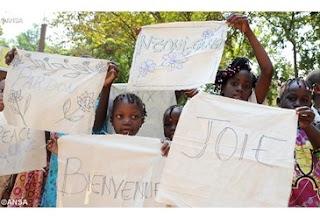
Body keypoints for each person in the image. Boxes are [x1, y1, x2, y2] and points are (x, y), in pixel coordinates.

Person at [276, 78, 320, 207]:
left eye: (304, 100)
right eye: (292, 98)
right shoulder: (272, 127)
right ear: (279, 102)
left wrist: (307, 126)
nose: (298, 104)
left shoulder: (315, 127)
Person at [214, 14, 273, 104]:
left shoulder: (252, 103)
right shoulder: (213, 105)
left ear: (250, 92)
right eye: (234, 84)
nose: (240, 89)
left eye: (246, 86)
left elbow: (267, 71)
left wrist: (247, 31)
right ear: (223, 88)